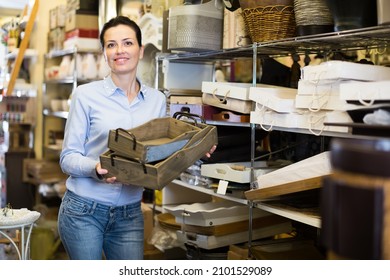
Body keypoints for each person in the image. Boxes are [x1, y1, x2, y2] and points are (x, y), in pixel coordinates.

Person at [58, 15, 216, 260]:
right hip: (83, 211)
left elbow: (161, 154)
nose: (120, 50)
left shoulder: (157, 100)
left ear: (141, 51)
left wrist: (194, 153)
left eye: (127, 43)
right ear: (104, 53)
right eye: (111, 45)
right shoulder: (85, 95)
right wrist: (95, 168)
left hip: (129, 213)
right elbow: (67, 158)